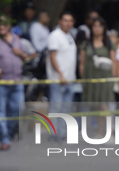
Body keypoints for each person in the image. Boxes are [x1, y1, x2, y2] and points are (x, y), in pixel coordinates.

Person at [0, 16, 27, 151]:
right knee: (0, 111)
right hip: (0, 81)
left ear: (9, 25)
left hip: (17, 80)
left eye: (4, 24)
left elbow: (25, 57)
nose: (1, 26)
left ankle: (8, 134)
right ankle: (4, 138)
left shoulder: (17, 39)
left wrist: (20, 53)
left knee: (18, 109)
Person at [46, 11, 77, 140]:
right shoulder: (55, 35)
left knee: (66, 107)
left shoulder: (70, 35)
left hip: (70, 78)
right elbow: (53, 57)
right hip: (58, 79)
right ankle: (53, 134)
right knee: (56, 106)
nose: (68, 23)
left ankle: (62, 133)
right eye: (65, 20)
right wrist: (60, 75)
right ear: (59, 21)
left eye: (70, 21)